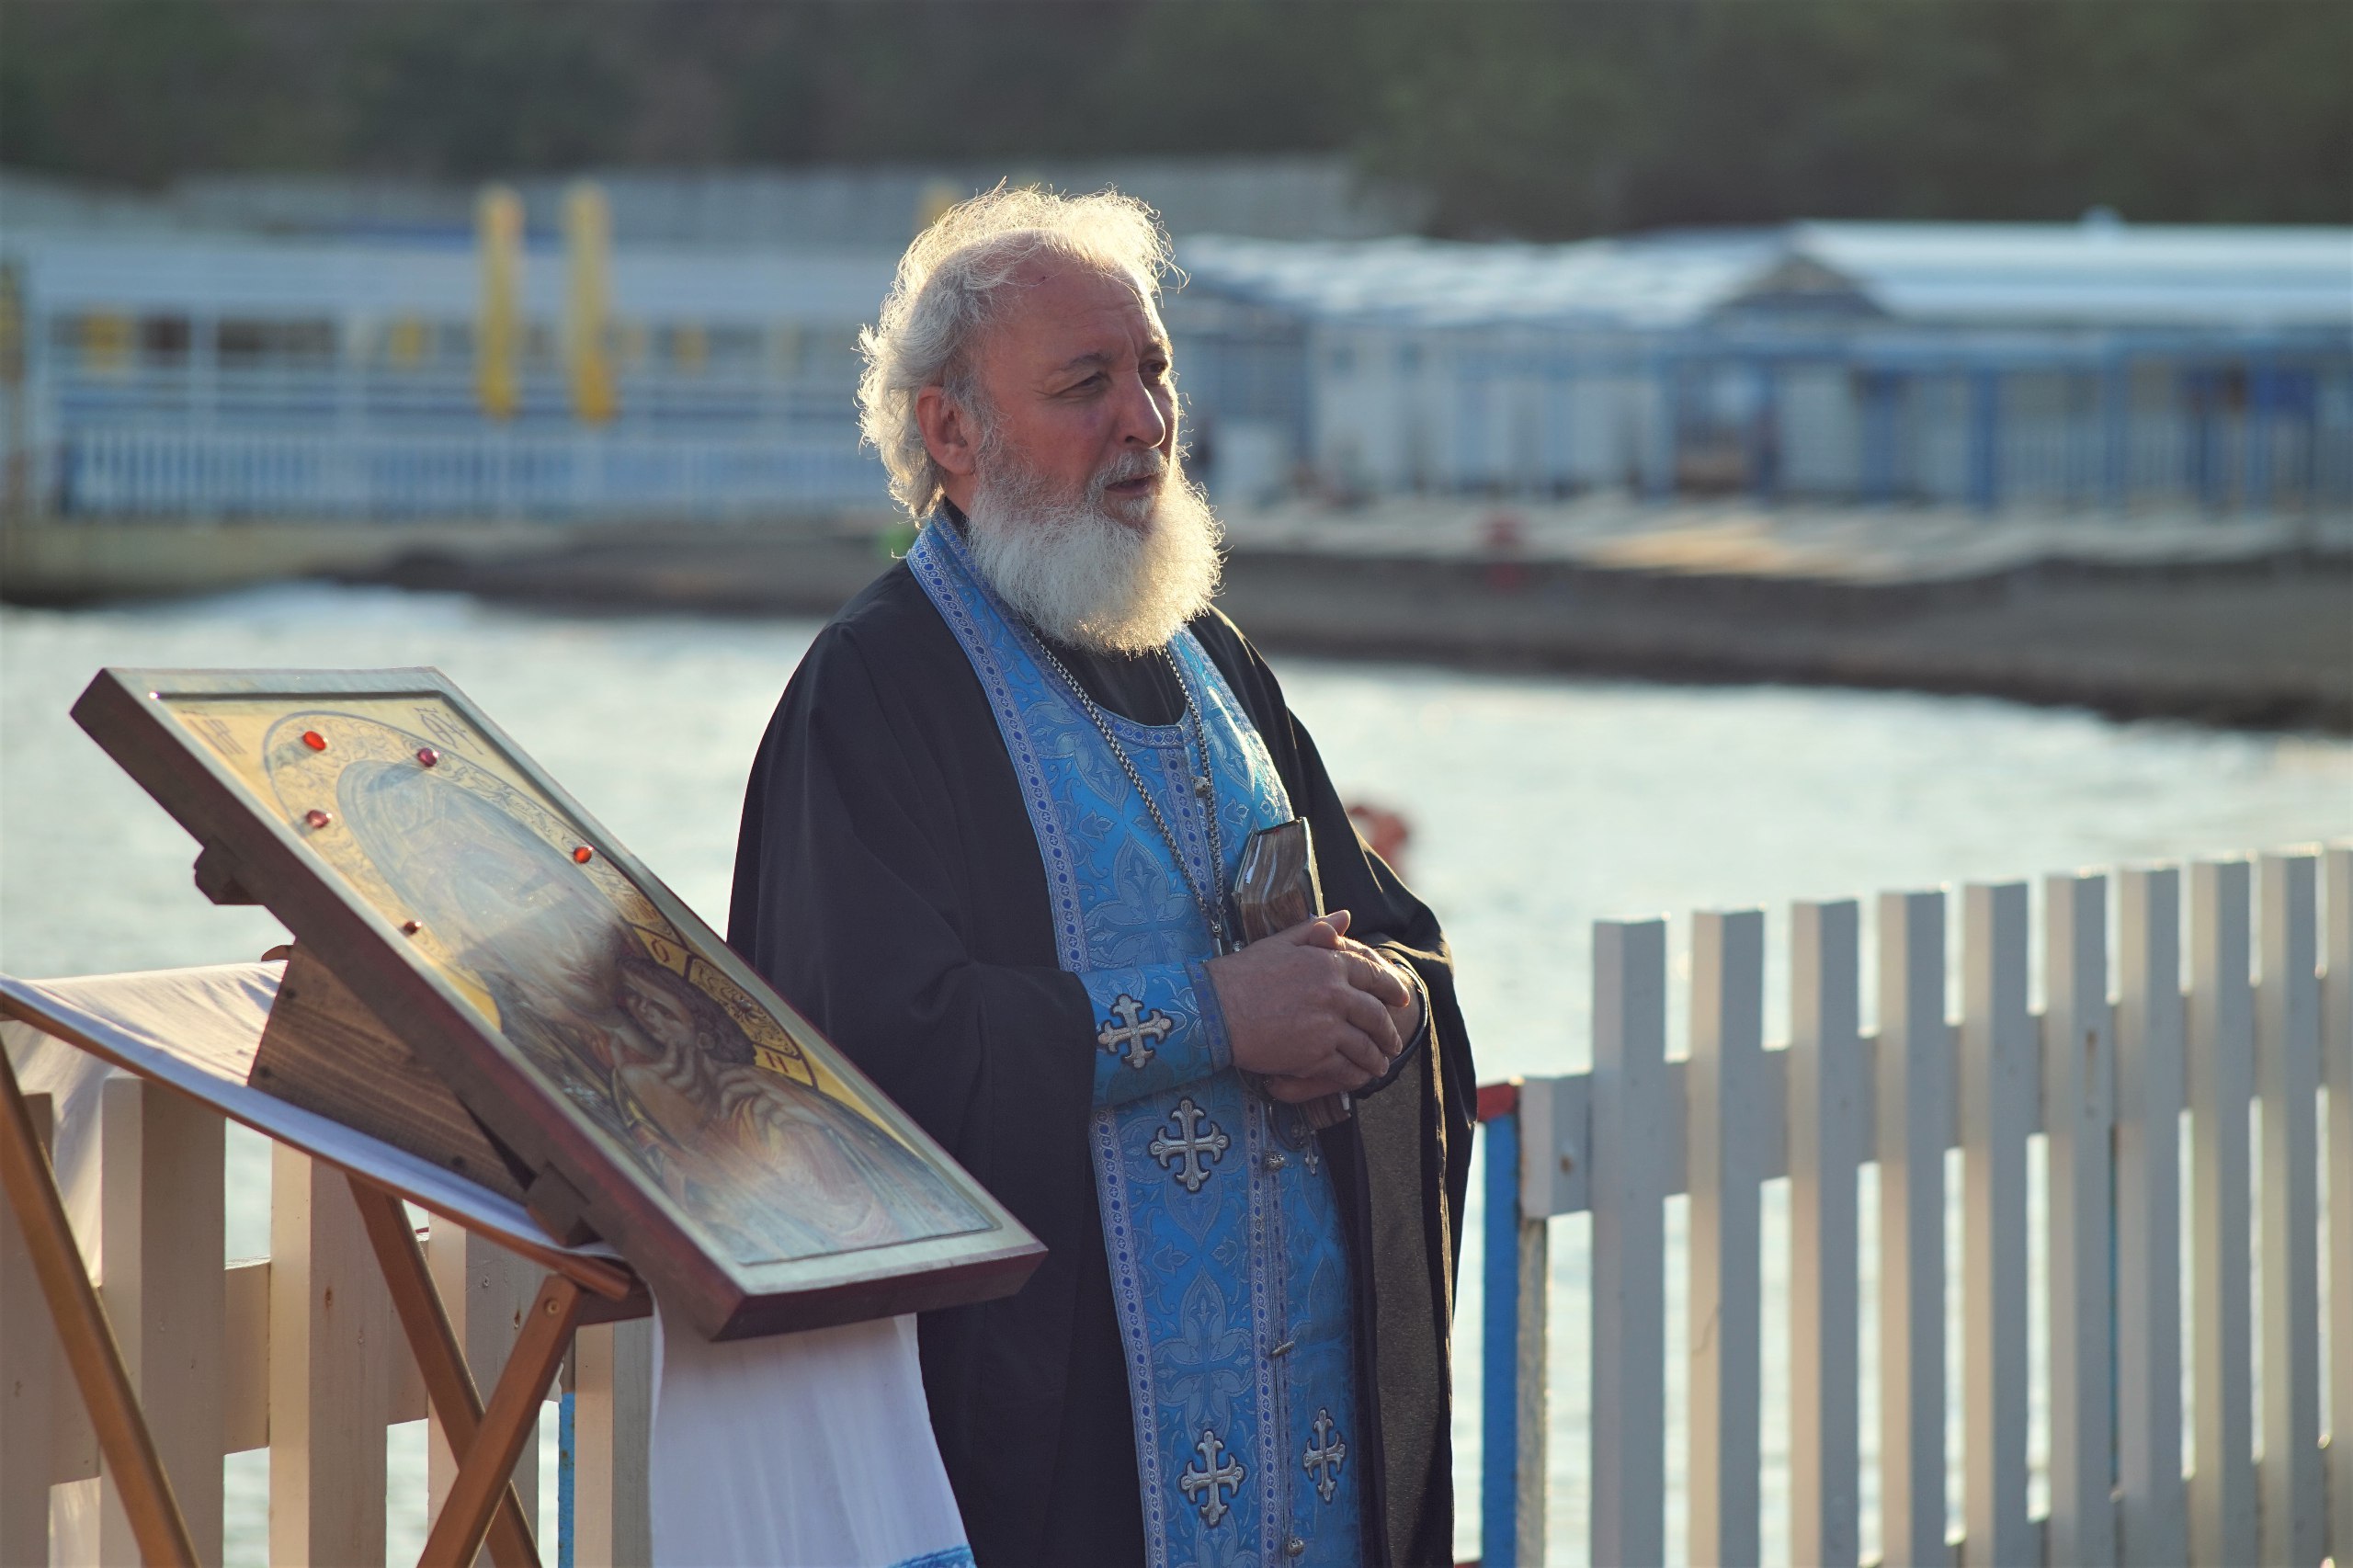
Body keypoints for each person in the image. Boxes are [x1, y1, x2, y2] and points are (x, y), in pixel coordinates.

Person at [729, 186, 1474, 1567]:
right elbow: (860, 1062)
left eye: (1154, 371)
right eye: (1087, 384)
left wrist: (1371, 1005)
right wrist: (1215, 1017)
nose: (1144, 420)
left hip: (1302, 1446)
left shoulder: (1211, 661)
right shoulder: (879, 691)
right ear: (952, 431)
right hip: (1056, 1465)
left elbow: (1388, 940)